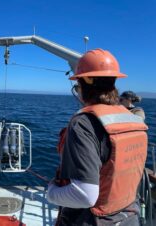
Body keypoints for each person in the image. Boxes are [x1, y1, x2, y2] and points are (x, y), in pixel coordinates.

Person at [47, 49, 148, 226]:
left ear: (85, 83)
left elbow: (84, 195)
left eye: (77, 86)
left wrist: (51, 192)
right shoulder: (133, 120)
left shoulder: (84, 123)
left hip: (93, 220)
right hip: (129, 217)